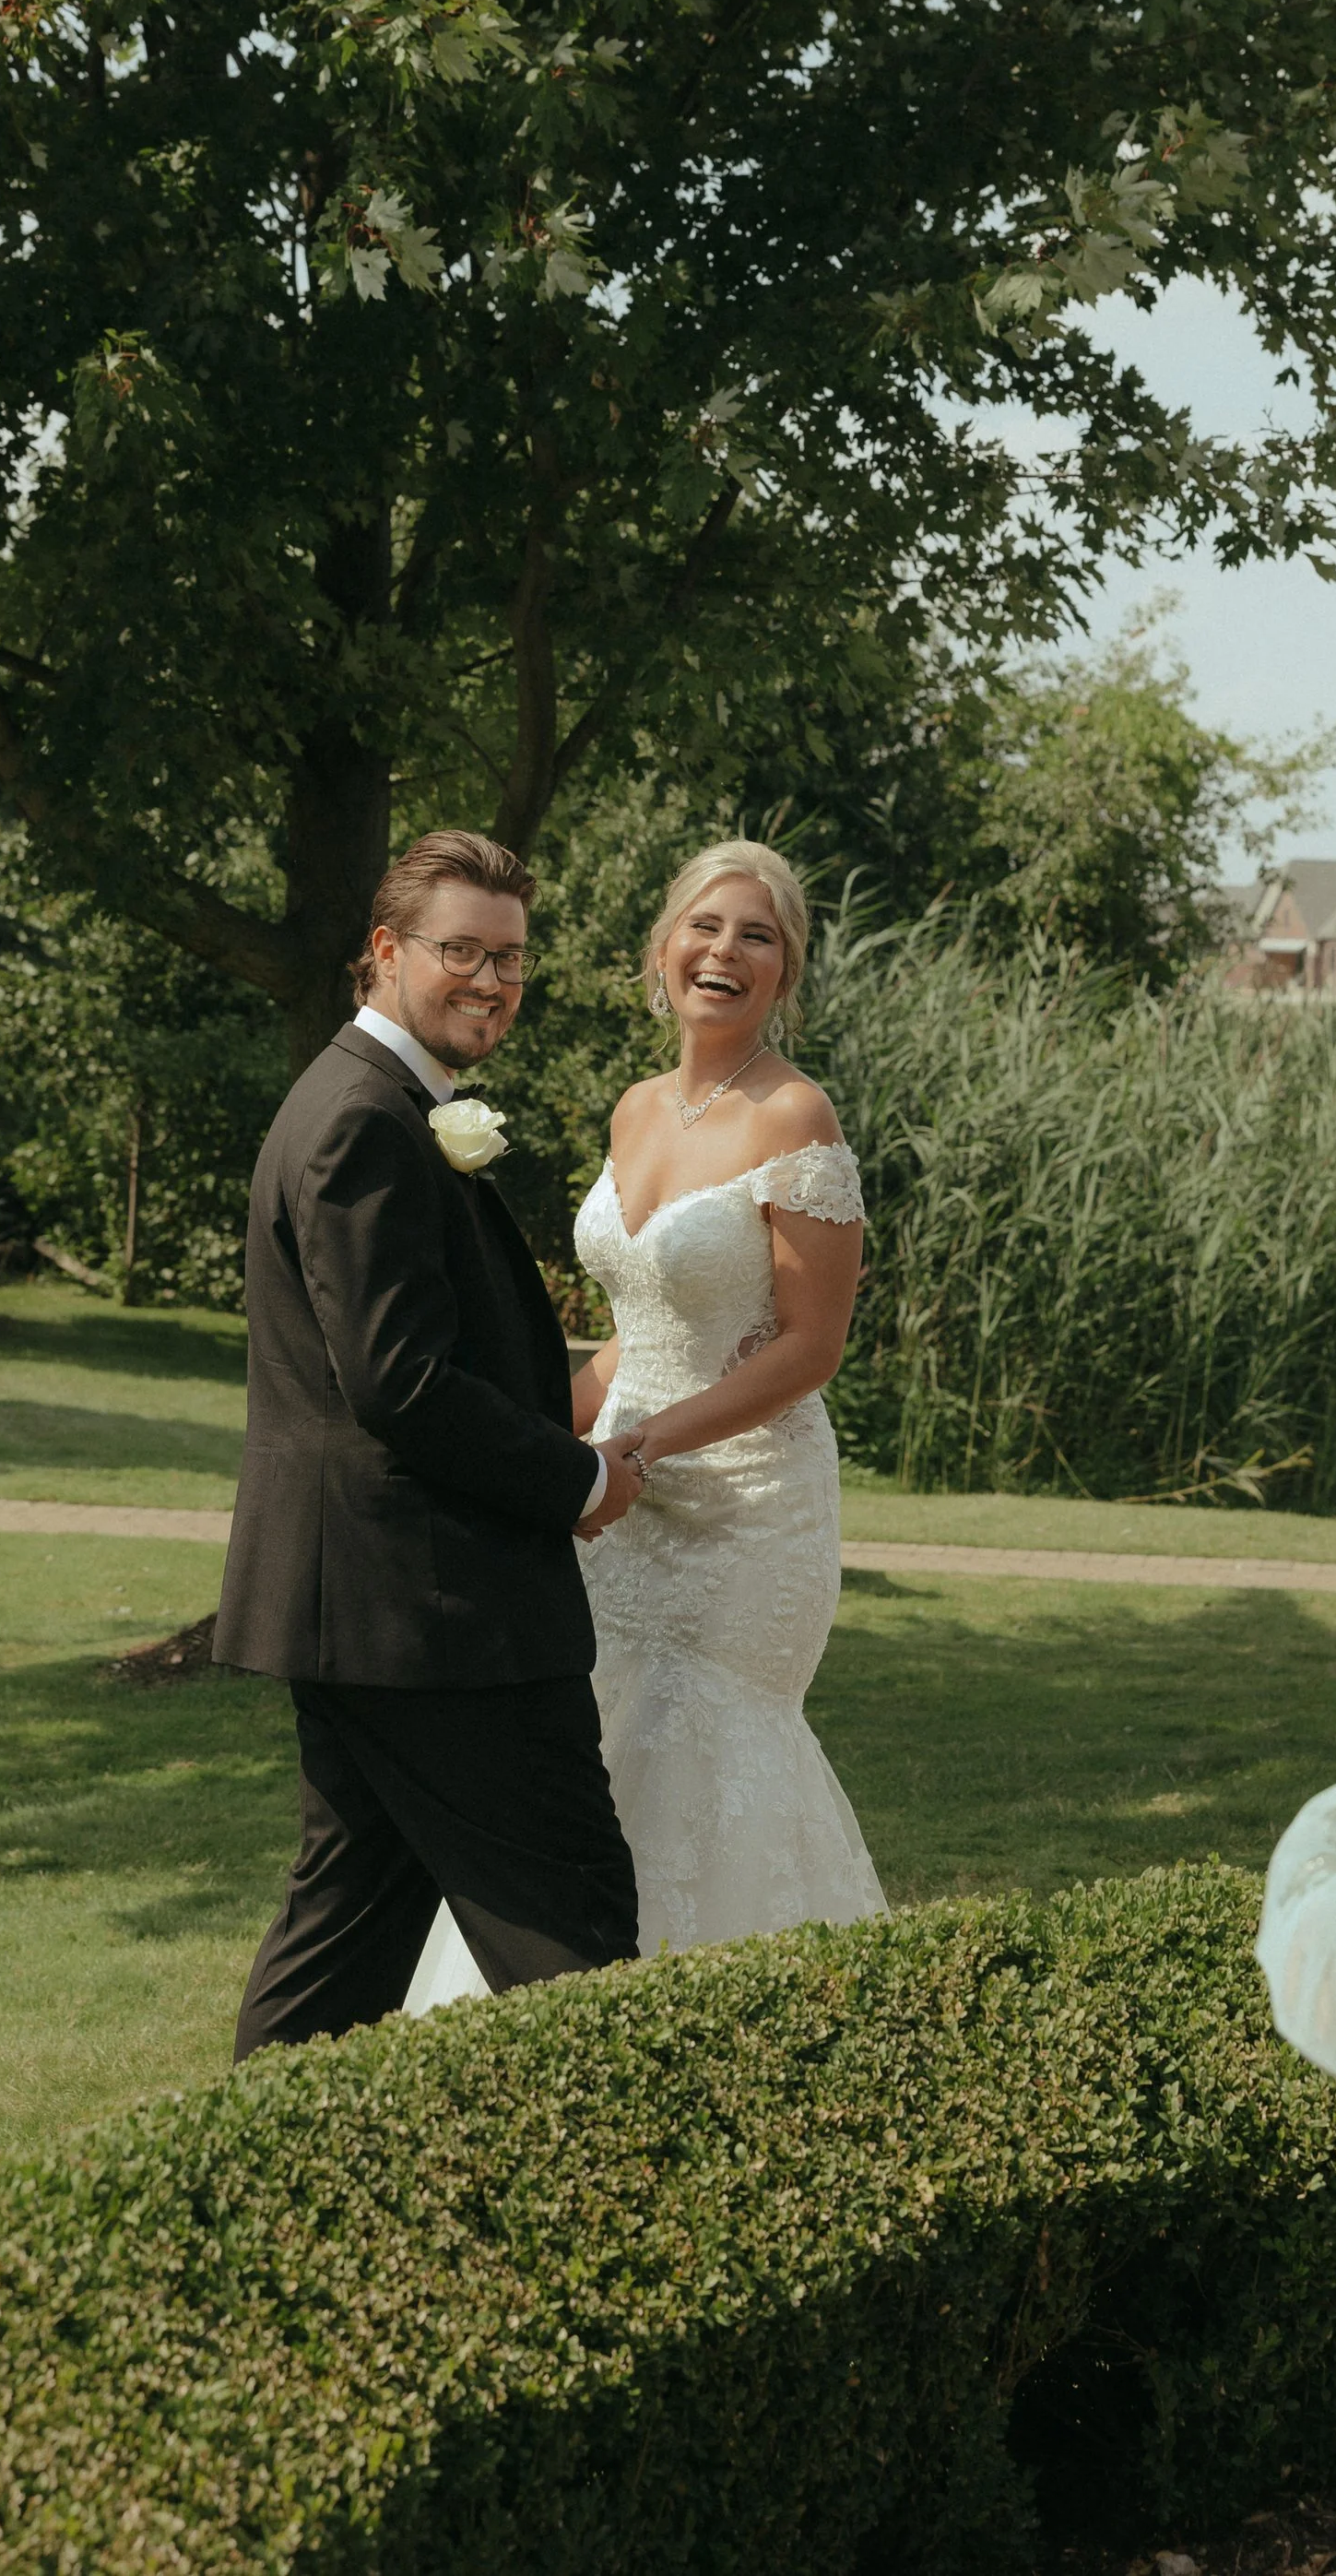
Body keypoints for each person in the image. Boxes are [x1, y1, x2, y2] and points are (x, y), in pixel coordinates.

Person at [216, 830, 644, 2056]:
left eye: (510, 956)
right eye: (463, 950)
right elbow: (401, 1383)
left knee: (345, 1934)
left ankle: (244, 2203)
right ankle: (616, 2215)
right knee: (575, 1933)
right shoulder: (364, 1119)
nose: (493, 980)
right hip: (434, 1615)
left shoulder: (381, 1104)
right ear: (388, 951)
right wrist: (580, 1474)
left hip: (369, 1606)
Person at [446, 837, 883, 1957]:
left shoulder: (796, 1117)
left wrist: (642, 1448)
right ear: (661, 949)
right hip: (619, 1492)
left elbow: (809, 1346)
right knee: (594, 1733)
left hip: (746, 1508)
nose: (724, 952)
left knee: (707, 1746)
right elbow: (637, 1333)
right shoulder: (634, 1110)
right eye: (705, 926)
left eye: (758, 936)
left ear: (786, 971)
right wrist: (533, 1433)